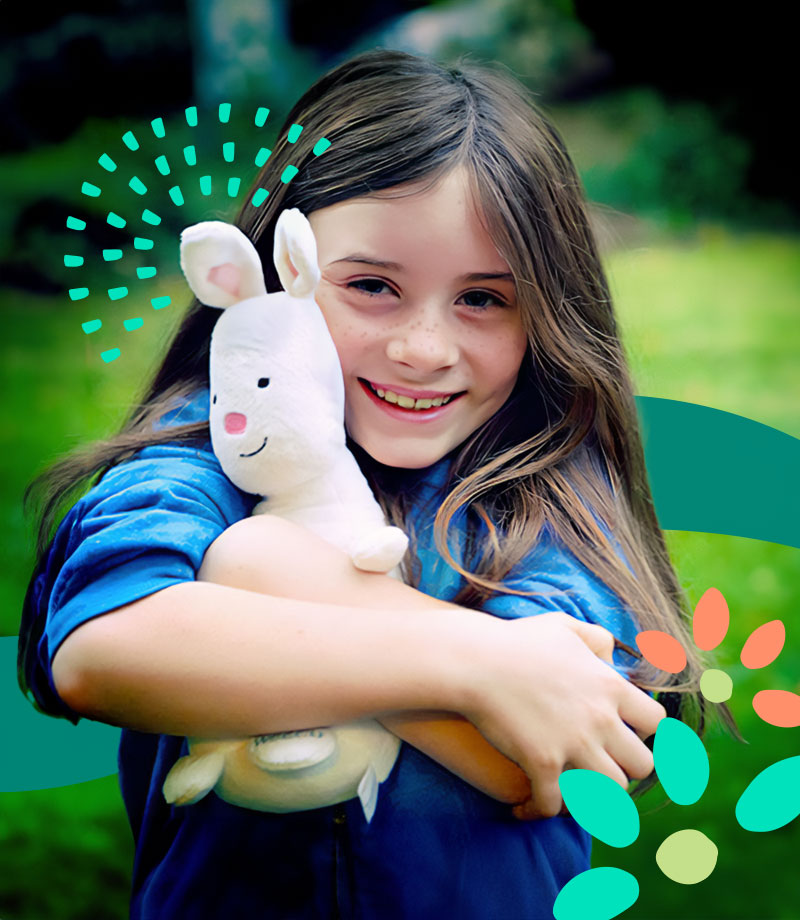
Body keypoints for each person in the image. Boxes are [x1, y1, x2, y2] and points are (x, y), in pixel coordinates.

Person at [18, 49, 702, 919]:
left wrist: (261, 565)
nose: (424, 348)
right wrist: (472, 662)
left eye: (484, 300)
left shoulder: (549, 494)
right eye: (373, 286)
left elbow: (539, 754)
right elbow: (102, 649)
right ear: (277, 273)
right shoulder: (208, 447)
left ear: (548, 311)